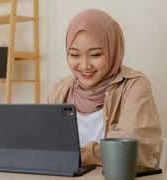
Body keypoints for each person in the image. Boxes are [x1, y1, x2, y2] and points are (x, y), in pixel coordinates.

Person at [47, 9, 161, 168]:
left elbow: (126, 151)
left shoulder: (135, 85)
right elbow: (45, 144)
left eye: (95, 55)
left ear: (113, 50)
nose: (85, 65)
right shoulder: (61, 89)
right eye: (74, 55)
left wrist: (73, 154)